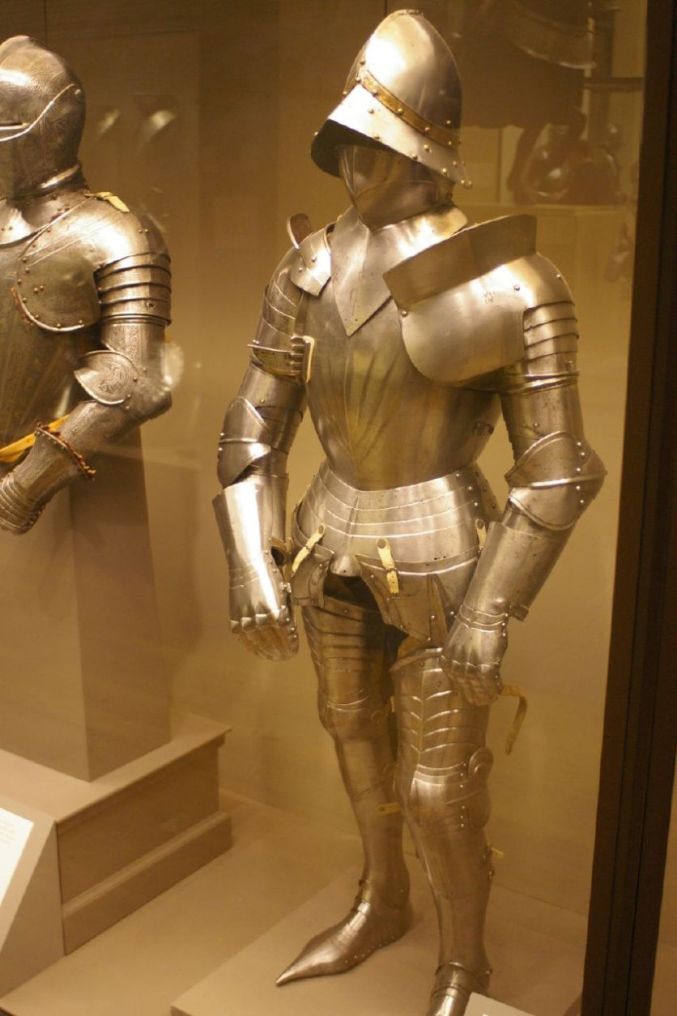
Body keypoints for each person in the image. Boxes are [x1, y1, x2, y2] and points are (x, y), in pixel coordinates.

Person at [214, 11, 604, 1015]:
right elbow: (252, 425)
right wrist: (252, 560)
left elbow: (556, 467)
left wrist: (491, 609)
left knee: (437, 788)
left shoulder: (510, 282)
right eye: (347, 139)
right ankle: (380, 900)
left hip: (442, 549)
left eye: (375, 139)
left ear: (425, 144)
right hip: (327, 535)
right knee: (350, 737)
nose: (355, 159)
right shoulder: (306, 269)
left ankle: (463, 961)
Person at [0, 36, 171, 534]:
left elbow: (137, 383)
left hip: (68, 490)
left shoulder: (115, 235)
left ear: (43, 129)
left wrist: (24, 487)